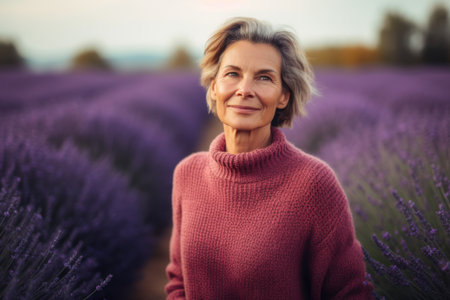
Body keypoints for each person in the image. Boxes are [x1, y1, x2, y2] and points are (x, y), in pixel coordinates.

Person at [165, 17, 373, 299]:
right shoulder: (188, 174)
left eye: (264, 77)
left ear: (283, 96)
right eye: (232, 74)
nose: (245, 89)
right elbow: (179, 280)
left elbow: (348, 293)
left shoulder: (313, 184)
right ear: (214, 86)